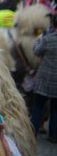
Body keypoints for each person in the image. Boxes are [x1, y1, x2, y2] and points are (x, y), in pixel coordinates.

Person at [31, 14, 57, 142]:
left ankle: (32, 132)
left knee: (38, 106)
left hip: (44, 80)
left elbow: (36, 51)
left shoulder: (48, 39)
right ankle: (53, 135)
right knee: (55, 109)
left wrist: (37, 39)